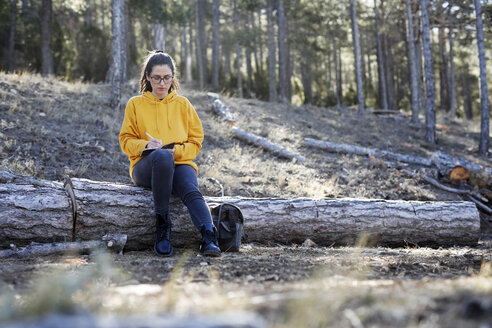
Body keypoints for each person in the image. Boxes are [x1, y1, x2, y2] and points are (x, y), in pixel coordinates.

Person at [119, 51, 221, 257]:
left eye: (167, 78)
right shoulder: (135, 104)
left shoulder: (183, 105)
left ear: (173, 77)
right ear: (147, 76)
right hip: (145, 166)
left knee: (189, 188)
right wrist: (147, 145)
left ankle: (209, 237)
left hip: (179, 161)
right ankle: (163, 228)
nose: (161, 83)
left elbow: (196, 141)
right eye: (156, 77)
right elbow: (125, 141)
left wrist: (177, 151)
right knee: (162, 156)